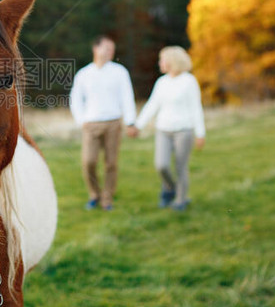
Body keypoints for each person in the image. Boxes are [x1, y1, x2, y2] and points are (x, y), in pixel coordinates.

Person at [132, 46, 206, 212]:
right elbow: (152, 105)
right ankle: (170, 188)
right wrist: (138, 125)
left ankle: (181, 200)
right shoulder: (162, 82)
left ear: (172, 61)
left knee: (181, 166)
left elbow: (196, 108)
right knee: (161, 165)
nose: (160, 63)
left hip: (183, 131)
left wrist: (200, 133)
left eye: (162, 60)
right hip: (163, 130)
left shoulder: (189, 81)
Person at [69, 36, 137, 211]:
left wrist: (130, 121)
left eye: (112, 49)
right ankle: (94, 194)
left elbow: (127, 97)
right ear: (96, 49)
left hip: (113, 123)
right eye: (107, 48)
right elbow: (75, 99)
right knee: (88, 162)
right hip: (91, 124)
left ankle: (107, 198)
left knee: (111, 163)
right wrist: (81, 120)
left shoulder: (120, 72)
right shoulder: (84, 74)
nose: (110, 52)